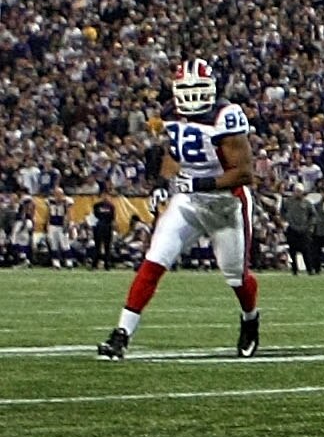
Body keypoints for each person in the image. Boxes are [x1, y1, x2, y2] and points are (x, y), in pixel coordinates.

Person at [98, 60, 262, 360]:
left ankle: (250, 319)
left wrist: (198, 182)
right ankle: (121, 334)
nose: (192, 95)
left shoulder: (226, 115)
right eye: (186, 88)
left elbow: (244, 174)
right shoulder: (171, 113)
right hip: (189, 202)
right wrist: (163, 182)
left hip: (226, 205)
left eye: (198, 88)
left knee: (236, 276)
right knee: (154, 260)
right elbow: (173, 154)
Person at [91, 188, 119, 271]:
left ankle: (107, 265)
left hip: (108, 227)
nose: (105, 197)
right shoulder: (96, 205)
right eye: (103, 195)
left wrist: (114, 226)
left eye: (107, 195)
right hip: (98, 227)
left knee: (107, 247)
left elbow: (112, 218)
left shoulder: (111, 206)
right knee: (97, 246)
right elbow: (94, 217)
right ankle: (94, 264)